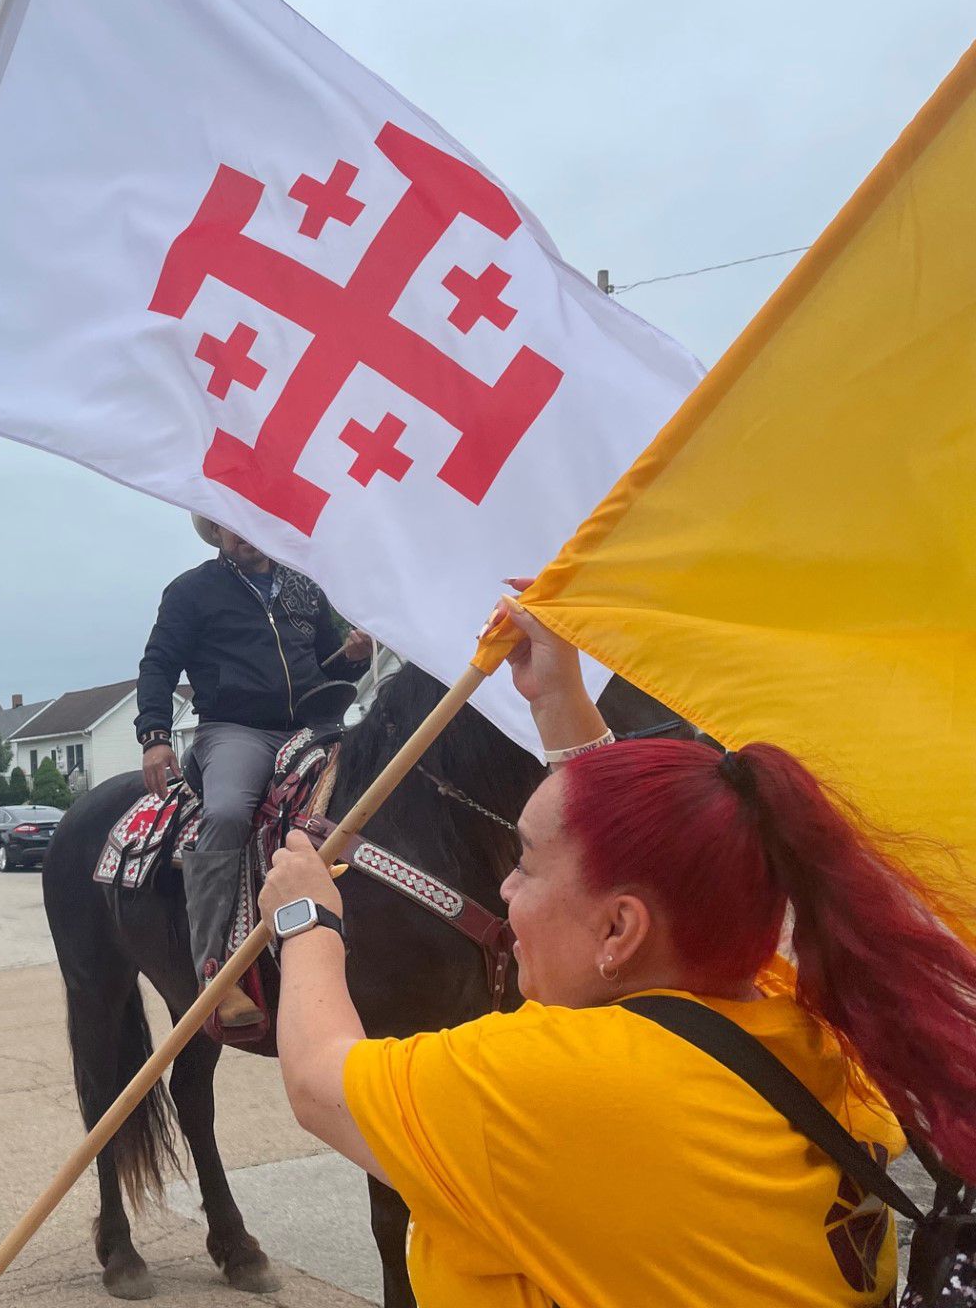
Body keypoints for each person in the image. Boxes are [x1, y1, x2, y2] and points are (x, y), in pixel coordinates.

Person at [258, 590, 976, 1307]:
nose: (505, 889)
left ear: (619, 931)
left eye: (525, 865)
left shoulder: (552, 1086)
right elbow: (653, 860)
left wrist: (303, 916)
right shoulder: (790, 1005)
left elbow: (320, 1085)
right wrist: (557, 700)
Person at [135, 514, 369, 1027]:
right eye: (227, 525)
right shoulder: (192, 592)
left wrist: (354, 657)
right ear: (215, 535)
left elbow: (327, 662)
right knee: (226, 812)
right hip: (235, 729)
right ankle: (214, 975)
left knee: (372, 794)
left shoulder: (307, 588)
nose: (242, 533)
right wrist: (154, 737)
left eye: (249, 521)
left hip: (316, 721)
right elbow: (158, 665)